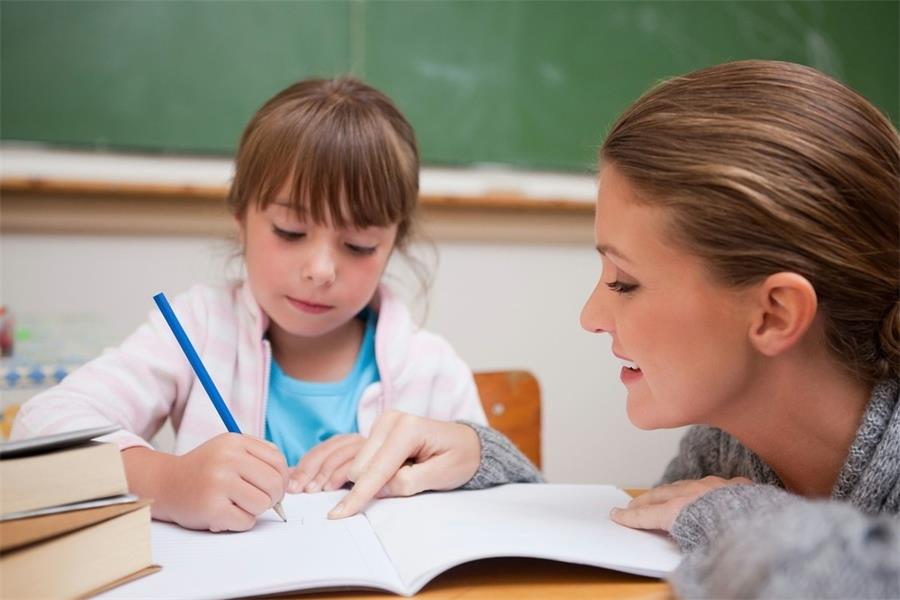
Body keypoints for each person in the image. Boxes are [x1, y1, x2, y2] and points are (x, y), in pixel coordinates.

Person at [327, 61, 900, 598]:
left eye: (624, 282)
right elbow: (626, 539)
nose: (590, 317)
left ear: (774, 313)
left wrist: (731, 517)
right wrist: (481, 463)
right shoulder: (727, 445)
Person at [11, 77, 486, 533]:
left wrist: (474, 453)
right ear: (241, 219)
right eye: (290, 232)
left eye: (359, 244)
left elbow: (512, 499)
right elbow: (39, 428)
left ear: (393, 244)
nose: (321, 269)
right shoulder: (197, 327)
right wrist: (168, 482)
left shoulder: (429, 368)